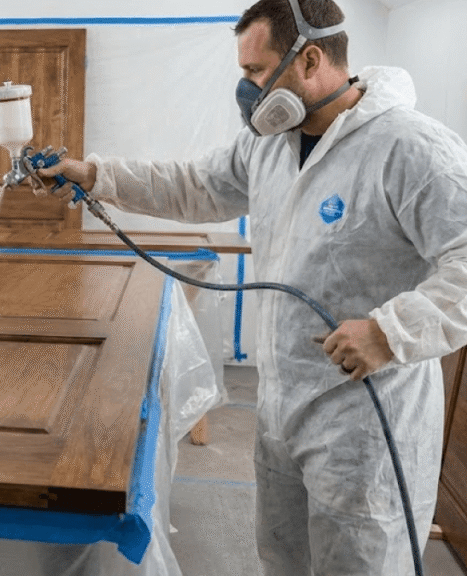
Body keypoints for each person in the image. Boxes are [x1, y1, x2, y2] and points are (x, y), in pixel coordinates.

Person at [34, 0, 467, 573]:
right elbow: (194, 186)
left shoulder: (408, 148)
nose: (248, 90)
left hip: (366, 421)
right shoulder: (270, 143)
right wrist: (96, 175)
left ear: (310, 60)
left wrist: (390, 332)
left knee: (360, 562)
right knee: (282, 556)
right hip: (282, 403)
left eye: (256, 72)